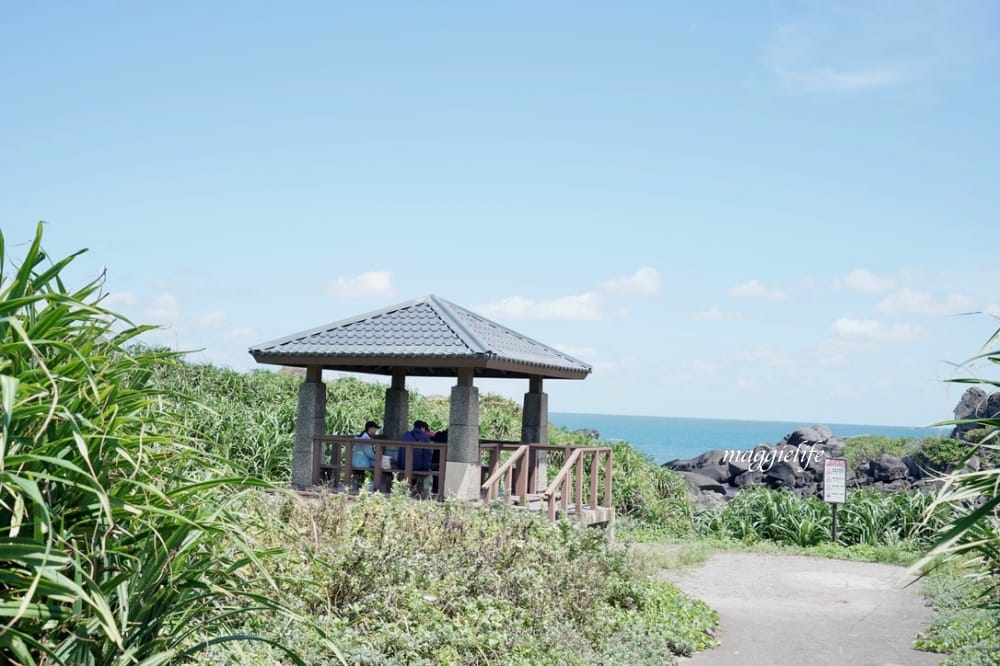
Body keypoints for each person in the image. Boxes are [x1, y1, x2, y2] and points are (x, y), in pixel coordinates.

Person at [397, 420, 435, 494]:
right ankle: (422, 492)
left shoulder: (405, 435)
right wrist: (426, 467)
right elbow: (428, 455)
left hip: (404, 465)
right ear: (422, 427)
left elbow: (400, 452)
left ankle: (405, 491)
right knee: (429, 473)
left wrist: (400, 465)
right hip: (419, 467)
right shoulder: (425, 437)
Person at [351, 420, 379, 492]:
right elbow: (369, 453)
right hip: (361, 462)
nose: (376, 430)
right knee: (379, 466)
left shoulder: (365, 436)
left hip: (358, 461)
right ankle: (376, 487)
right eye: (375, 428)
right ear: (370, 428)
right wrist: (379, 458)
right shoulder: (365, 438)